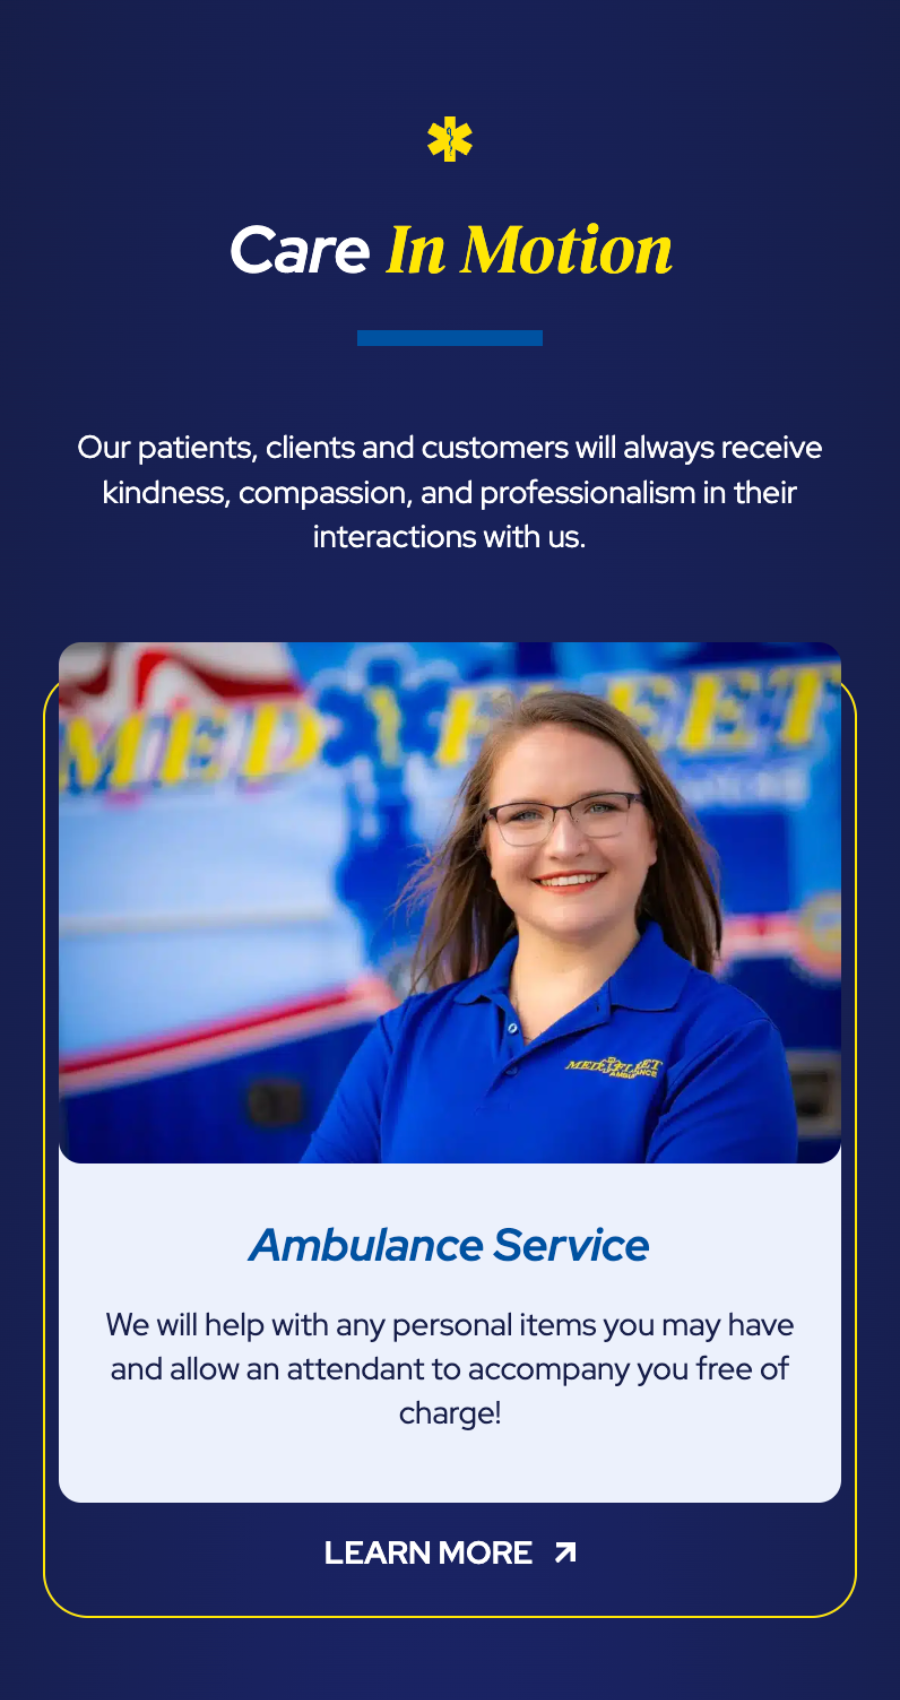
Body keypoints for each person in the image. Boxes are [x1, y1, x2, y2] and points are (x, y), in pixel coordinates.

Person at [302, 690, 798, 1163]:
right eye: (524, 815)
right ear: (488, 851)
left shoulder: (724, 1043)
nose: (564, 844)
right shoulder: (403, 1039)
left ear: (652, 836)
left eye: (601, 806)